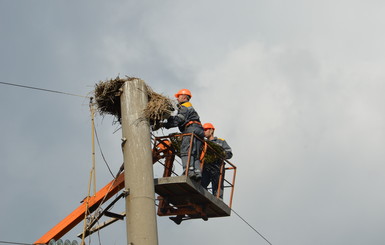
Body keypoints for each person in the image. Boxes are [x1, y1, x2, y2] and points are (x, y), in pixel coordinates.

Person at [162, 89, 204, 180]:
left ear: (184, 97)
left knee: (185, 150)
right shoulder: (190, 107)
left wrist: (164, 124)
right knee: (194, 153)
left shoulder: (184, 107)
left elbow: (179, 120)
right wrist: (170, 118)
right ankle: (197, 172)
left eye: (179, 97)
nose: (177, 99)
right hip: (199, 130)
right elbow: (179, 119)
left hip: (191, 129)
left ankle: (188, 171)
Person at [201, 123, 233, 199]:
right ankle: (203, 198)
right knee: (202, 183)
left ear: (211, 130)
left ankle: (218, 199)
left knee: (217, 186)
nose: (204, 132)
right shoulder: (203, 142)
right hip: (206, 166)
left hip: (217, 167)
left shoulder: (221, 141)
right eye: (203, 130)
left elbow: (229, 153)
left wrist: (220, 154)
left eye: (206, 130)